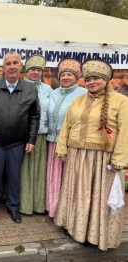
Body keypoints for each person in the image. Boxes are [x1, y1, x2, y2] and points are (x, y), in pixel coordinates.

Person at [54, 60, 128, 251]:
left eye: (96, 78)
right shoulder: (78, 101)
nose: (92, 82)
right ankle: (76, 229)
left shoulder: (121, 102)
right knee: (78, 194)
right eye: (88, 79)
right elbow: (67, 127)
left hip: (103, 160)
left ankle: (94, 234)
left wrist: (119, 160)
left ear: (106, 80)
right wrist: (62, 149)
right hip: (77, 156)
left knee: (98, 198)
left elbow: (126, 132)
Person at [0, 51, 40, 223]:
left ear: (21, 66)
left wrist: (31, 140)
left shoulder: (30, 89)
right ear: (3, 67)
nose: (12, 67)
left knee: (14, 177)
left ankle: (13, 208)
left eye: (15, 63)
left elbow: (35, 116)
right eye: (8, 63)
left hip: (18, 143)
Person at [46, 58, 87, 218]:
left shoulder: (83, 94)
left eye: (70, 74)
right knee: (54, 177)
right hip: (52, 143)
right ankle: (54, 208)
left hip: (70, 145)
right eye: (63, 74)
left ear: (77, 77)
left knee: (70, 179)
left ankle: (68, 211)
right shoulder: (54, 92)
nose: (65, 78)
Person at [19, 55, 52, 215]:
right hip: (23, 135)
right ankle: (24, 204)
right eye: (33, 69)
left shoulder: (48, 89)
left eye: (39, 70)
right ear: (26, 70)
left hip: (41, 136)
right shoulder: (19, 86)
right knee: (23, 171)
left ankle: (38, 204)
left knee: (39, 171)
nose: (36, 72)